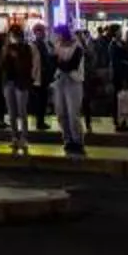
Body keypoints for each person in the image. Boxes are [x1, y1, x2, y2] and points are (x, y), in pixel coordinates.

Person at [46, 24, 90, 156]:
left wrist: (58, 61)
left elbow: (71, 65)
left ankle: (77, 141)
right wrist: (57, 61)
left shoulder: (77, 47)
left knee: (73, 113)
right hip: (60, 81)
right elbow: (53, 62)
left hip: (74, 81)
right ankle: (67, 139)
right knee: (60, 112)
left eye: (57, 33)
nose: (55, 36)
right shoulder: (57, 46)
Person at [0, 22, 37, 153]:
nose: (14, 37)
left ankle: (24, 137)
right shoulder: (6, 48)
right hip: (9, 82)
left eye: (15, 35)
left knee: (22, 111)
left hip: (21, 83)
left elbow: (26, 67)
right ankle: (14, 137)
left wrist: (17, 56)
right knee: (11, 112)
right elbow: (1, 66)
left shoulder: (26, 48)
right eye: (12, 35)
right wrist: (5, 53)